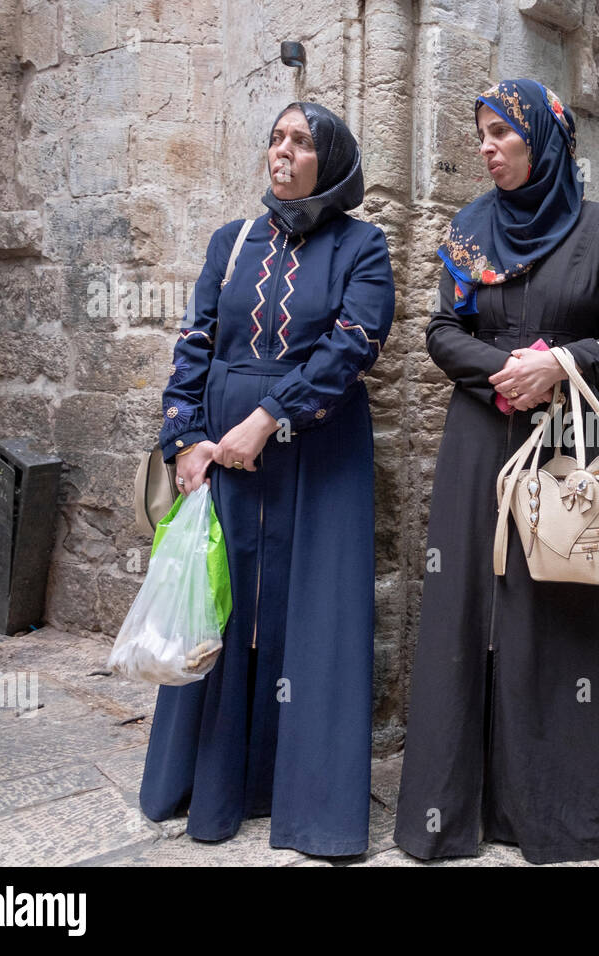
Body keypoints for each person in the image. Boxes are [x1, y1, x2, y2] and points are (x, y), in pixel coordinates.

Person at [393, 79, 599, 864]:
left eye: (503, 131)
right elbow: (440, 331)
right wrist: (510, 369)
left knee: (554, 610)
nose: (488, 146)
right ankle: (449, 810)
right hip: (482, 432)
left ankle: (553, 816)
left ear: (544, 137)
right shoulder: (470, 229)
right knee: (466, 606)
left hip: (565, 442)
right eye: (480, 133)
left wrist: (560, 366)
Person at [142, 102, 396, 856]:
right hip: (222, 453)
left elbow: (355, 343)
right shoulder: (233, 241)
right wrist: (185, 437)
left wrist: (269, 416)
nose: (281, 152)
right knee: (223, 603)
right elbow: (196, 339)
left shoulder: (363, 246)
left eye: (300, 141)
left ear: (332, 160)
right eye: (276, 138)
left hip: (319, 448)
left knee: (315, 610)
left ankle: (310, 804)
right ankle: (218, 788)